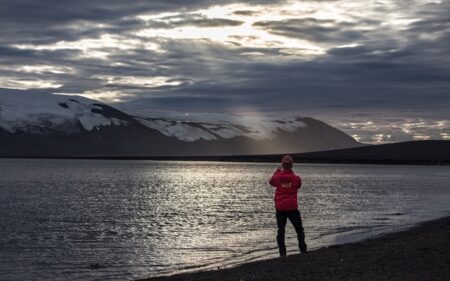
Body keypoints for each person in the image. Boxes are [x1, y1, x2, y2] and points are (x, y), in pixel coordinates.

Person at [269, 155, 307, 257]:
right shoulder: (296, 178)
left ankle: (282, 254)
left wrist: (277, 172)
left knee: (281, 231)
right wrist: (291, 175)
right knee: (299, 229)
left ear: (282, 164)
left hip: (280, 209)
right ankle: (303, 249)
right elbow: (298, 185)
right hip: (292, 208)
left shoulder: (277, 177)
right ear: (291, 165)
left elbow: (271, 182)